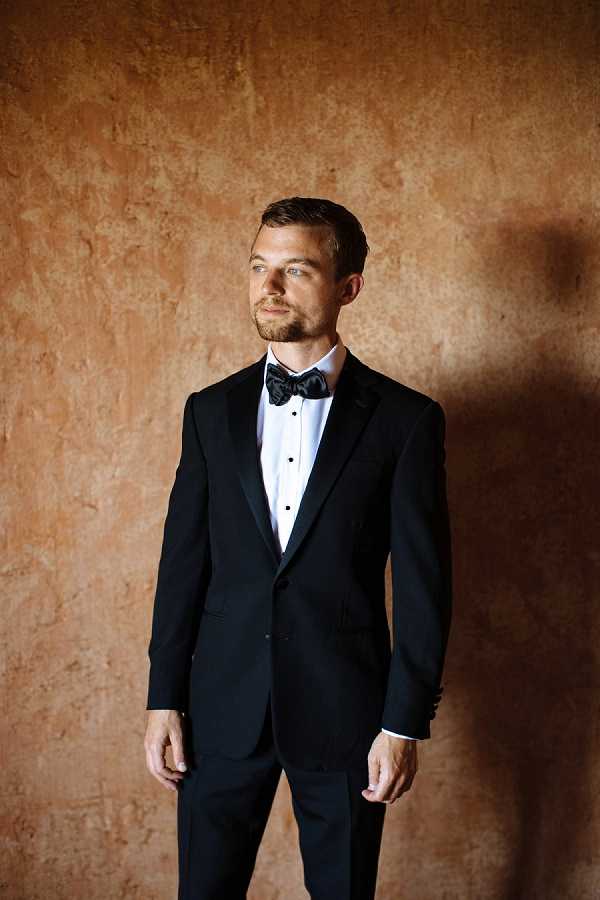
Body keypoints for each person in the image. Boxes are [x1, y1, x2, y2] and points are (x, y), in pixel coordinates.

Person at [144, 196, 453, 899]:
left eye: (295, 269)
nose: (269, 287)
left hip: (348, 716)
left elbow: (426, 585)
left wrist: (403, 721)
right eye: (259, 267)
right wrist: (163, 696)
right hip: (218, 711)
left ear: (349, 288)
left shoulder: (406, 421)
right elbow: (183, 566)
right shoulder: (209, 411)